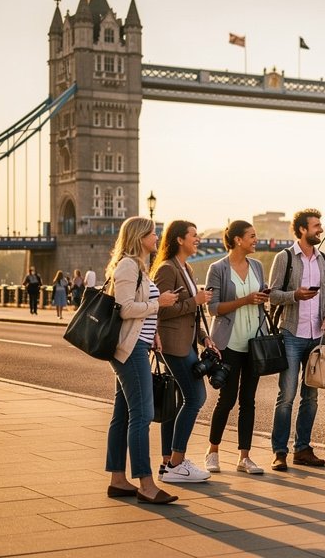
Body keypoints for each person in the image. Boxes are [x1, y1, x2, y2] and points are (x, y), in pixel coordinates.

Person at [104, 216, 179, 505]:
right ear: (139, 237)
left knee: (123, 414)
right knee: (143, 415)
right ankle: (146, 484)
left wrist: (154, 333)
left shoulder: (139, 267)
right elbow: (125, 309)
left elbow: (140, 310)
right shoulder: (127, 266)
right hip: (130, 349)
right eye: (152, 233)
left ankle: (117, 480)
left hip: (139, 344)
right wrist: (160, 303)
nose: (157, 237)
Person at [152, 220, 219, 483]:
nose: (198, 238)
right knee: (195, 397)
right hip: (173, 345)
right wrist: (195, 300)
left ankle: (168, 462)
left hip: (187, 343)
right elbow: (161, 309)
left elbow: (192, 314)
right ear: (179, 239)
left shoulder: (187, 268)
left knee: (178, 402)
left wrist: (205, 338)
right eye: (193, 235)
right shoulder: (167, 269)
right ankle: (177, 464)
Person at [267, 208, 325, 471]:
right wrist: (295, 295)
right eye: (316, 226)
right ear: (302, 230)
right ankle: (279, 451)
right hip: (292, 334)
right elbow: (272, 294)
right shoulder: (285, 258)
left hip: (317, 336)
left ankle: (302, 449)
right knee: (287, 395)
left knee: (311, 397)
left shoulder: (324, 259)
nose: (320, 229)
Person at [204, 220, 269, 476]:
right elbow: (213, 308)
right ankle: (212, 451)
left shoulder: (257, 266)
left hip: (254, 343)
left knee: (248, 401)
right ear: (238, 240)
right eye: (252, 236)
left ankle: (245, 457)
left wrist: (263, 297)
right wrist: (245, 300)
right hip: (228, 344)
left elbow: (260, 300)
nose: (256, 240)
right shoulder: (217, 269)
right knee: (227, 399)